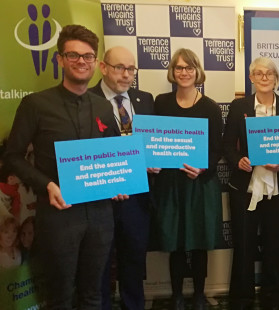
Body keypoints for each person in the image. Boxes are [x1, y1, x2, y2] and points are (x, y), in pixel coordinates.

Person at [3, 24, 123, 309]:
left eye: (88, 56)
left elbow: (116, 156)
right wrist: (47, 185)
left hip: (100, 215)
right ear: (60, 60)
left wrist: (120, 181)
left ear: (96, 62)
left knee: (94, 294)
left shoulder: (104, 107)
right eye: (73, 55)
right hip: (58, 216)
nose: (81, 61)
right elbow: (12, 156)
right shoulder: (35, 105)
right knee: (60, 296)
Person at [223, 57, 279, 310]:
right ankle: (241, 299)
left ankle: (273, 298)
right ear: (251, 78)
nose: (264, 77)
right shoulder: (239, 107)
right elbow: (227, 145)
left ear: (275, 78)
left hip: (278, 187)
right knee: (244, 245)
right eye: (258, 73)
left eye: (269, 73)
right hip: (245, 188)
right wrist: (238, 160)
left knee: (274, 244)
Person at [148, 48, 223, 310]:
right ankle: (177, 295)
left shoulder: (211, 107)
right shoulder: (161, 103)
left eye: (189, 68)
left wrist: (203, 169)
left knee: (199, 242)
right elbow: (153, 141)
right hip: (170, 185)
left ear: (197, 71)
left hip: (199, 185)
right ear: (172, 72)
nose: (184, 73)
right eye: (179, 68)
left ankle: (200, 295)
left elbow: (217, 149)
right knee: (176, 242)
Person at [90, 46, 155, 310]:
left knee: (133, 262)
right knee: (100, 265)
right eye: (120, 68)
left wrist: (155, 160)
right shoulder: (86, 99)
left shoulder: (145, 99)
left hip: (137, 199)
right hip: (100, 199)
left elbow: (152, 143)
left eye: (131, 69)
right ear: (103, 67)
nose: (126, 75)